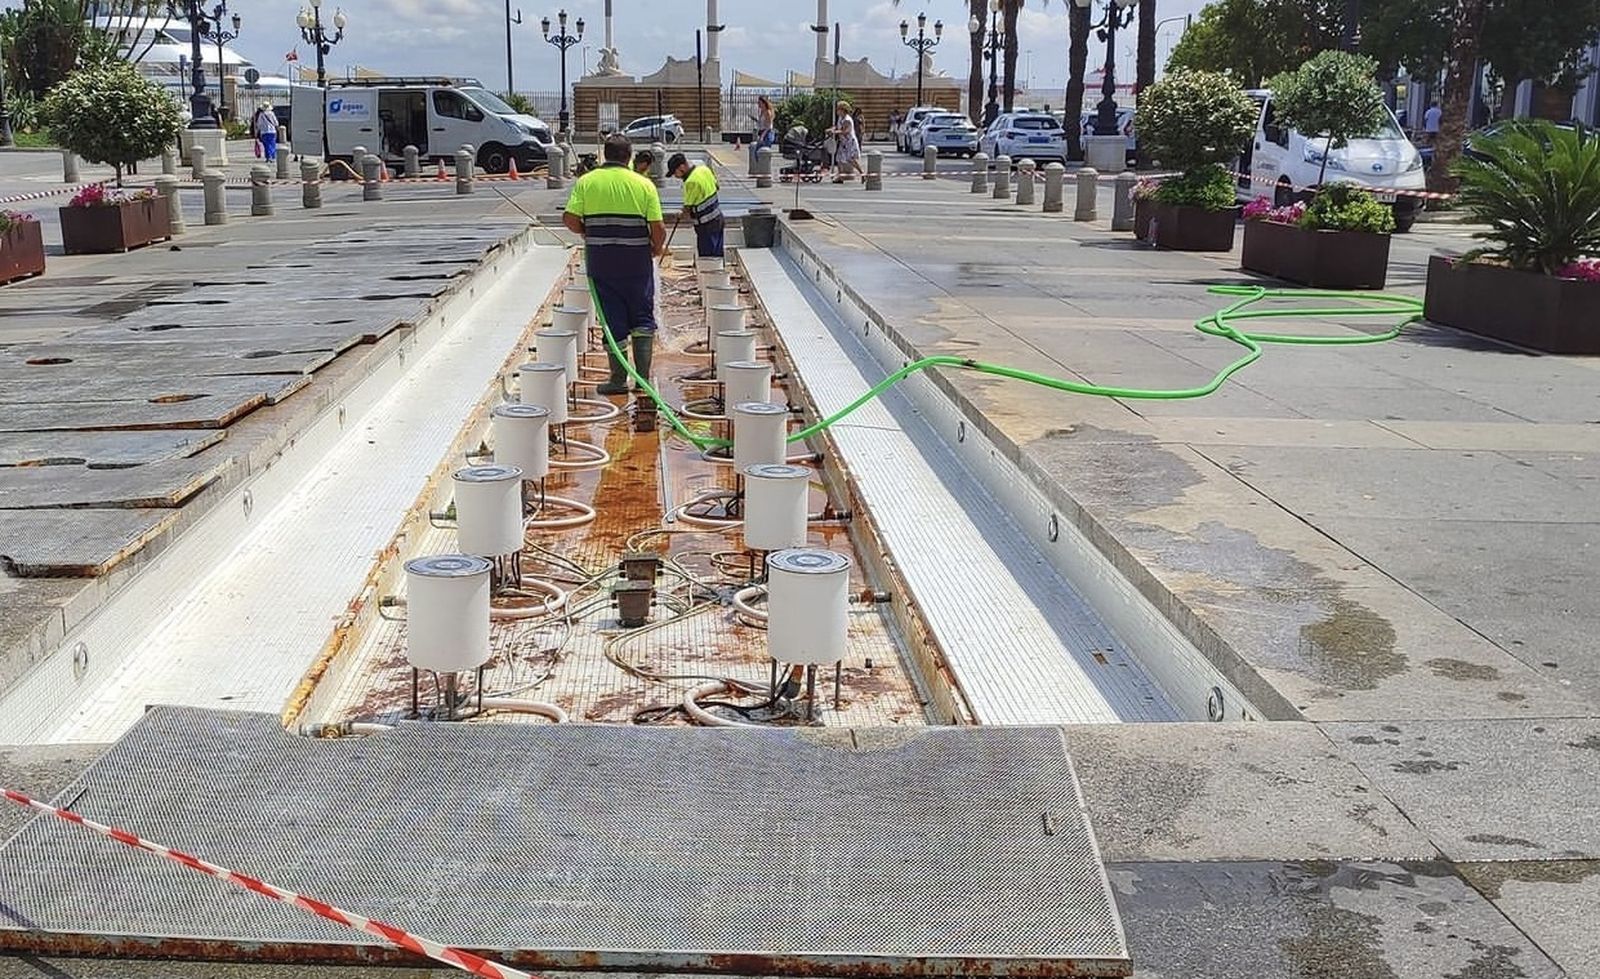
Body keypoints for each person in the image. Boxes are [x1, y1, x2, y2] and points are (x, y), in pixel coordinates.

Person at [563, 134, 668, 396]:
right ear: (629, 156)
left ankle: (618, 380)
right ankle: (642, 379)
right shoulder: (643, 185)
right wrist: (656, 248)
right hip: (636, 263)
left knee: (612, 318)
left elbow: (569, 218)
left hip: (602, 262)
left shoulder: (587, 182)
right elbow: (658, 227)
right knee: (642, 316)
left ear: (605, 155)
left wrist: (587, 231)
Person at [667, 152, 724, 260]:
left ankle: (708, 276)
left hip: (706, 226)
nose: (675, 176)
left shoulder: (690, 182)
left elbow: (687, 210)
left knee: (707, 259)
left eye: (675, 173)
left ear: (682, 167)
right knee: (717, 256)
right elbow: (717, 186)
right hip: (718, 219)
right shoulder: (703, 169)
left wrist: (679, 215)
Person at [828, 101, 862, 183]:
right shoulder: (841, 118)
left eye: (838, 109)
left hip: (849, 142)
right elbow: (837, 126)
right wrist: (832, 129)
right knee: (839, 158)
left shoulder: (847, 119)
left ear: (843, 110)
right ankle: (840, 176)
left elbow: (846, 131)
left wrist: (835, 132)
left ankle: (862, 173)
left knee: (851, 159)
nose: (837, 111)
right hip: (843, 142)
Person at [750, 94, 776, 168]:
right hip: (762, 132)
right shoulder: (762, 112)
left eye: (759, 103)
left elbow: (768, 126)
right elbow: (762, 123)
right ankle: (761, 169)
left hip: (767, 133)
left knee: (763, 152)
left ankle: (765, 169)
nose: (758, 104)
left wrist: (762, 136)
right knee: (758, 152)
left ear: (764, 103)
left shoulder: (768, 112)